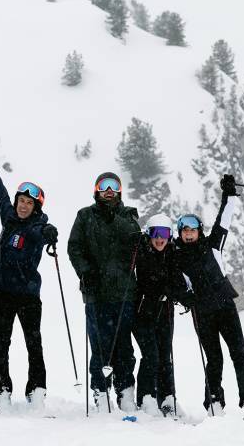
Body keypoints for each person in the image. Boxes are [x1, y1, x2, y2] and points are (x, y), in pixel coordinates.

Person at [173, 175, 244, 422]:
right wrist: (185, 297)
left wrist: (230, 194)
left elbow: (225, 219)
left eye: (193, 230)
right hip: (202, 312)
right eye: (185, 231)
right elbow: (174, 284)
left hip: (225, 306)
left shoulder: (213, 245)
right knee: (214, 359)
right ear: (180, 234)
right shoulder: (176, 257)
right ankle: (214, 402)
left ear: (199, 231)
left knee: (239, 353)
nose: (190, 234)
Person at [0, 151, 58, 413]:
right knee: (0, 343)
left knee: (33, 343)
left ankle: (36, 390)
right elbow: (0, 194)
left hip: (28, 295)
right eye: (21, 201)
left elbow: (42, 233)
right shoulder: (9, 217)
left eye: (29, 203)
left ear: (36, 208)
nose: (23, 206)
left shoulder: (36, 227)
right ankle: (2, 391)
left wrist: (49, 233)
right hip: (3, 292)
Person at [67, 172, 141, 413]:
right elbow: (74, 247)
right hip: (96, 293)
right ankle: (100, 391)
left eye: (114, 186)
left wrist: (113, 216)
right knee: (99, 346)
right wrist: (85, 272)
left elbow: (134, 240)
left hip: (124, 294)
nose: (109, 190)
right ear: (96, 190)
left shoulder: (128, 215)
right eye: (104, 186)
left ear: (119, 191)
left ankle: (125, 391)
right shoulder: (85, 215)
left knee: (124, 347)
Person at [132, 213, 184, 417]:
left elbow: (178, 281)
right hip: (143, 312)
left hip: (165, 312)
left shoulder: (173, 254)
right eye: (155, 233)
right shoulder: (142, 252)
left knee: (165, 356)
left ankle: (167, 398)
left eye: (164, 233)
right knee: (151, 355)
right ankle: (146, 398)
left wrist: (178, 292)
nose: (159, 238)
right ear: (148, 234)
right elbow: (150, 280)